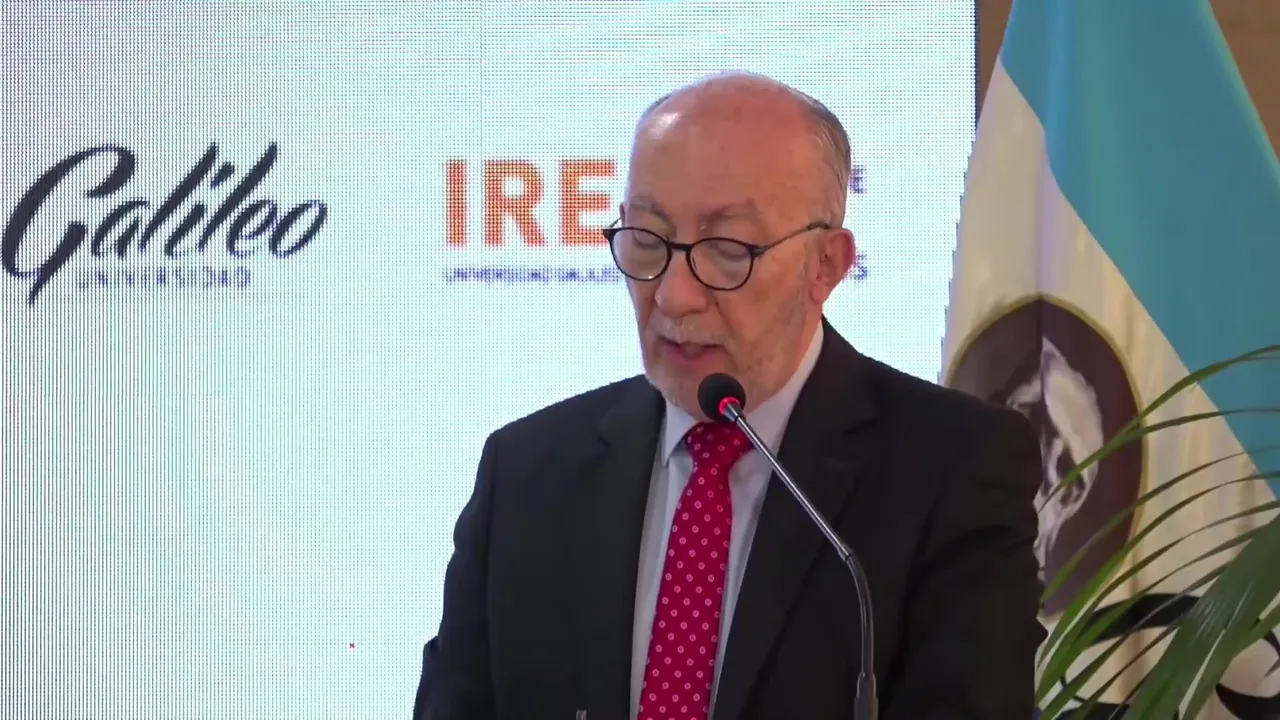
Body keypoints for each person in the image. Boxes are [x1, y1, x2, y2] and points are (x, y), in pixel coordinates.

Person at [414, 71, 1045, 720]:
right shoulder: (527, 472)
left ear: (825, 264)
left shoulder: (952, 468)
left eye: (726, 251)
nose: (673, 296)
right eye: (647, 240)